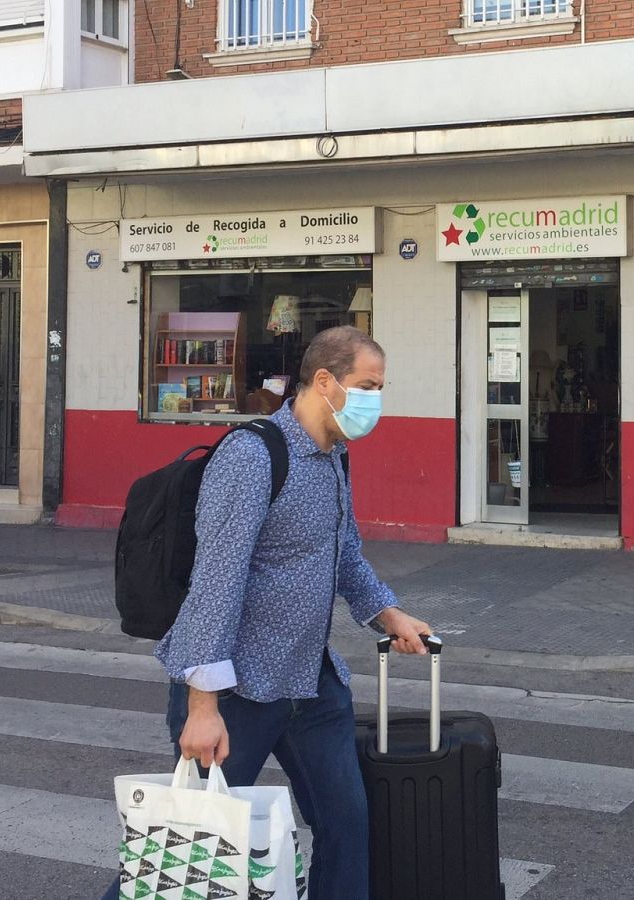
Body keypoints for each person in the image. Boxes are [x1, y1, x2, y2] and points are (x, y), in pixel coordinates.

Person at [99, 326, 432, 900]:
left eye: (381, 386)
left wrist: (388, 613)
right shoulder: (253, 456)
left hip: (312, 686)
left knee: (347, 828)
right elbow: (216, 581)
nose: (376, 399)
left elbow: (343, 551)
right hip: (237, 692)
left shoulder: (334, 457)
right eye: (367, 385)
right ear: (324, 381)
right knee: (191, 844)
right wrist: (201, 706)